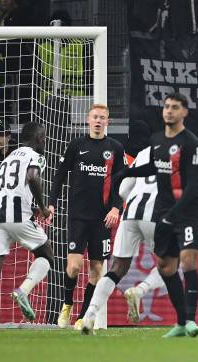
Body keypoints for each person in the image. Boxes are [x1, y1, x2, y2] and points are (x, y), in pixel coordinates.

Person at [114, 93, 198, 338]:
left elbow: (193, 184)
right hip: (163, 213)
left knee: (188, 262)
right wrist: (127, 173)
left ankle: (192, 321)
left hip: (186, 213)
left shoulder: (192, 143)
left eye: (175, 107)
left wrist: (175, 214)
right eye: (166, 107)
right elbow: (154, 166)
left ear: (184, 112)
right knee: (166, 267)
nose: (169, 111)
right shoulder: (157, 140)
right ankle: (182, 322)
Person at [0, 122, 54, 333]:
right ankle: (23, 291)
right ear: (35, 139)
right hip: (17, 216)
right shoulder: (35, 156)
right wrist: (42, 207)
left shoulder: (8, 159)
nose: (44, 141)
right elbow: (32, 177)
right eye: (42, 138)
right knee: (47, 255)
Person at [48, 104, 125, 330]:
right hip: (78, 217)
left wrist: (115, 208)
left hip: (103, 219)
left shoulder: (116, 148)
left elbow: (122, 183)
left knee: (97, 270)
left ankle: (82, 317)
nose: (98, 121)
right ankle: (67, 304)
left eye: (102, 117)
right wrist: (51, 203)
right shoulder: (77, 145)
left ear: (108, 122)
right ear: (88, 120)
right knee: (73, 267)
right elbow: (60, 176)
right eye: (95, 117)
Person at [79, 144, 161, 333]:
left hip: (131, 211)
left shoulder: (143, 152)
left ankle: (89, 315)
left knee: (117, 268)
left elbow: (123, 189)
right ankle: (139, 291)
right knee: (170, 264)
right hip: (156, 213)